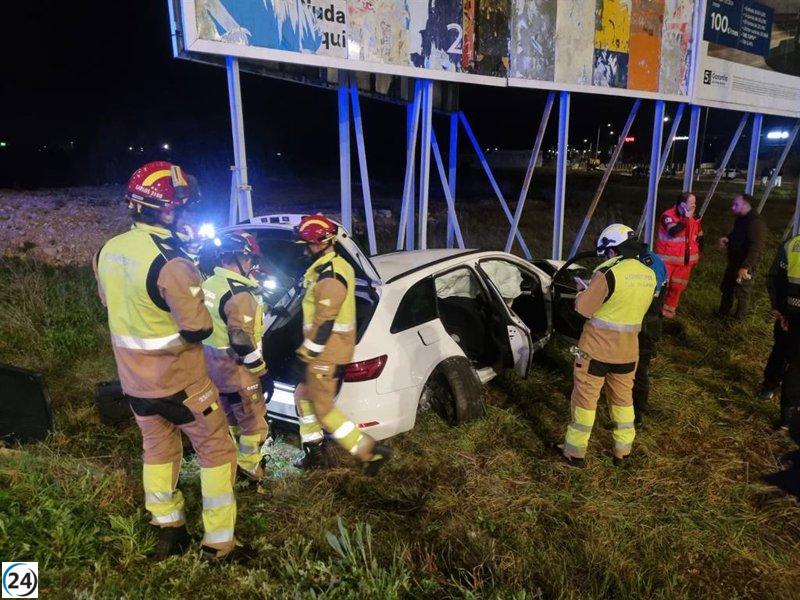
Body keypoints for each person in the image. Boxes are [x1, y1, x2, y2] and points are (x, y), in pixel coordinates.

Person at [94, 161, 239, 561]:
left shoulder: (109, 250)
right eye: (184, 207)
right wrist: (192, 279)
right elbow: (197, 329)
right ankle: (219, 543)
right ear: (169, 211)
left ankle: (168, 528)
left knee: (157, 450)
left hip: (135, 384)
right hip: (182, 383)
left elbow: (113, 300)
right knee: (216, 452)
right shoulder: (173, 262)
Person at [292, 214, 391, 474]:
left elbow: (325, 322)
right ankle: (314, 452)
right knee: (303, 396)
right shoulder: (331, 266)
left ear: (322, 243)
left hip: (326, 353)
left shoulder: (330, 276)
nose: (304, 249)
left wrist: (306, 355)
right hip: (325, 352)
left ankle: (368, 452)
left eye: (307, 244)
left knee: (324, 410)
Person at [558, 224, 657, 467]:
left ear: (613, 250)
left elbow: (584, 309)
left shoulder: (608, 273)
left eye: (605, 253)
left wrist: (584, 292)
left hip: (595, 351)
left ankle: (575, 452)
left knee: (585, 400)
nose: (604, 257)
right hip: (628, 352)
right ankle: (623, 451)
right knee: (623, 401)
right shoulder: (649, 273)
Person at [201, 232, 273, 487]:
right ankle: (250, 467)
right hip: (237, 370)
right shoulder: (239, 295)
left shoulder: (210, 284)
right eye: (249, 257)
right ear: (239, 256)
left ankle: (233, 456)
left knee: (230, 415)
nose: (252, 263)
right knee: (253, 421)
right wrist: (261, 371)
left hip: (213, 366)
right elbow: (241, 339)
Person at [766, 233, 800, 429]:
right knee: (794, 364)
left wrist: (780, 309)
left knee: (789, 359)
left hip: (791, 316)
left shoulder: (792, 244)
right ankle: (788, 417)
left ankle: (787, 414)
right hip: (793, 317)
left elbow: (775, 279)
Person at [717, 193, 767, 319]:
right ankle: (723, 313)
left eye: (736, 204)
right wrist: (728, 238)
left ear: (746, 205)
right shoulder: (741, 219)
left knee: (742, 292)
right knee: (727, 288)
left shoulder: (755, 222)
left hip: (745, 264)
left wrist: (746, 266)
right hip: (734, 261)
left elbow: (756, 247)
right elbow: (736, 234)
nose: (733, 207)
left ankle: (739, 320)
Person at [633, 249, 668, 428]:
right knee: (639, 370)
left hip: (643, 328)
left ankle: (637, 414)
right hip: (650, 325)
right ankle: (636, 413)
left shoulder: (639, 265)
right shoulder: (653, 259)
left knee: (638, 371)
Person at [655, 192, 703, 318]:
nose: (695, 206)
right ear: (682, 205)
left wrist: (699, 253)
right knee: (660, 288)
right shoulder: (668, 216)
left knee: (677, 289)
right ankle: (653, 313)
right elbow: (673, 232)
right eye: (692, 203)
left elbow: (699, 236)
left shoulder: (695, 218)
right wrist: (685, 219)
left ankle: (668, 314)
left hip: (685, 263)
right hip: (667, 262)